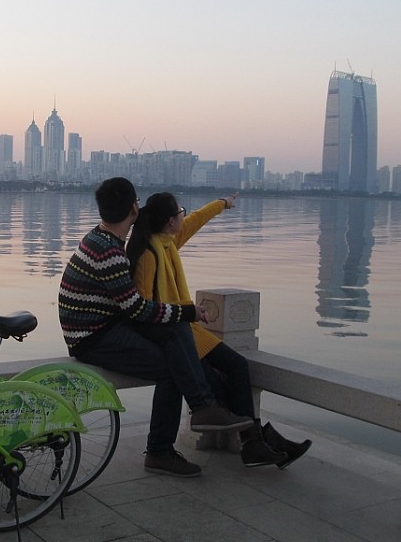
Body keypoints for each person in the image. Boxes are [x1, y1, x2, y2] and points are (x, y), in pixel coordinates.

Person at [58, 177, 253, 478]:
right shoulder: (109, 252)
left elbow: (133, 308)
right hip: (93, 337)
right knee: (171, 364)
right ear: (134, 209)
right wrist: (187, 311)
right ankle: (162, 448)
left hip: (105, 325)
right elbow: (136, 308)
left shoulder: (103, 238)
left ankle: (202, 409)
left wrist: (182, 315)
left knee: (176, 330)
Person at [126, 191, 312, 469]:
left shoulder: (168, 242)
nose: (184, 216)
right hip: (172, 334)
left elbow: (196, 220)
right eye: (180, 212)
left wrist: (222, 204)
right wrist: (186, 313)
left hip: (186, 329)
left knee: (237, 366)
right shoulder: (148, 254)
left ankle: (255, 443)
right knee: (217, 382)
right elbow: (143, 307)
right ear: (169, 221)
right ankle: (256, 442)